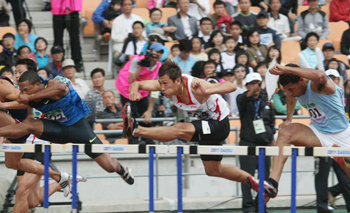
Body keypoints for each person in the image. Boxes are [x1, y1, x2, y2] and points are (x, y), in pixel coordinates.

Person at [125, 60, 267, 193]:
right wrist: (133, 91)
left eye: (165, 84)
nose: (162, 88)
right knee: (213, 170)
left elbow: (231, 86)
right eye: (160, 83)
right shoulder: (165, 84)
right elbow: (137, 84)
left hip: (219, 124)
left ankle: (137, 130)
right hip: (205, 127)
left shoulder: (194, 85)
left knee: (180, 129)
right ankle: (253, 182)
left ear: (178, 80)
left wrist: (207, 92)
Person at [0, 71, 135, 190]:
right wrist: (5, 104)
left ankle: (121, 170)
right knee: (29, 124)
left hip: (79, 129)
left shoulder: (53, 84)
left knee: (109, 166)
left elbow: (61, 88)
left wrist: (29, 98)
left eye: (25, 90)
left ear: (37, 84)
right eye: (21, 90)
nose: (22, 93)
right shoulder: (30, 95)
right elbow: (20, 101)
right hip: (57, 129)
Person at [263, 63, 350, 202]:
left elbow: (320, 75)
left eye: (291, 89)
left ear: (302, 80)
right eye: (287, 90)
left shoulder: (318, 86)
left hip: (343, 136)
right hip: (319, 134)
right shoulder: (294, 90)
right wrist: (289, 119)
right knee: (285, 132)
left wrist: (285, 69)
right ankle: (273, 183)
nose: (289, 93)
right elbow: (291, 97)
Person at [237, 72, 275, 213]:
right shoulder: (242, 99)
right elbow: (242, 100)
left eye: (257, 83)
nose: (255, 86)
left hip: (264, 144)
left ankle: (261, 204)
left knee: (265, 178)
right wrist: (252, 91)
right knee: (247, 176)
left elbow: (271, 121)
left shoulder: (266, 100)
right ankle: (248, 206)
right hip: (248, 143)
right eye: (252, 83)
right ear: (246, 85)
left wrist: (272, 140)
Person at [51, 0, 83, 71]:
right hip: (58, 8)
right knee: (58, 38)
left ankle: (76, 60)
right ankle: (58, 61)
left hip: (72, 8)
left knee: (74, 37)